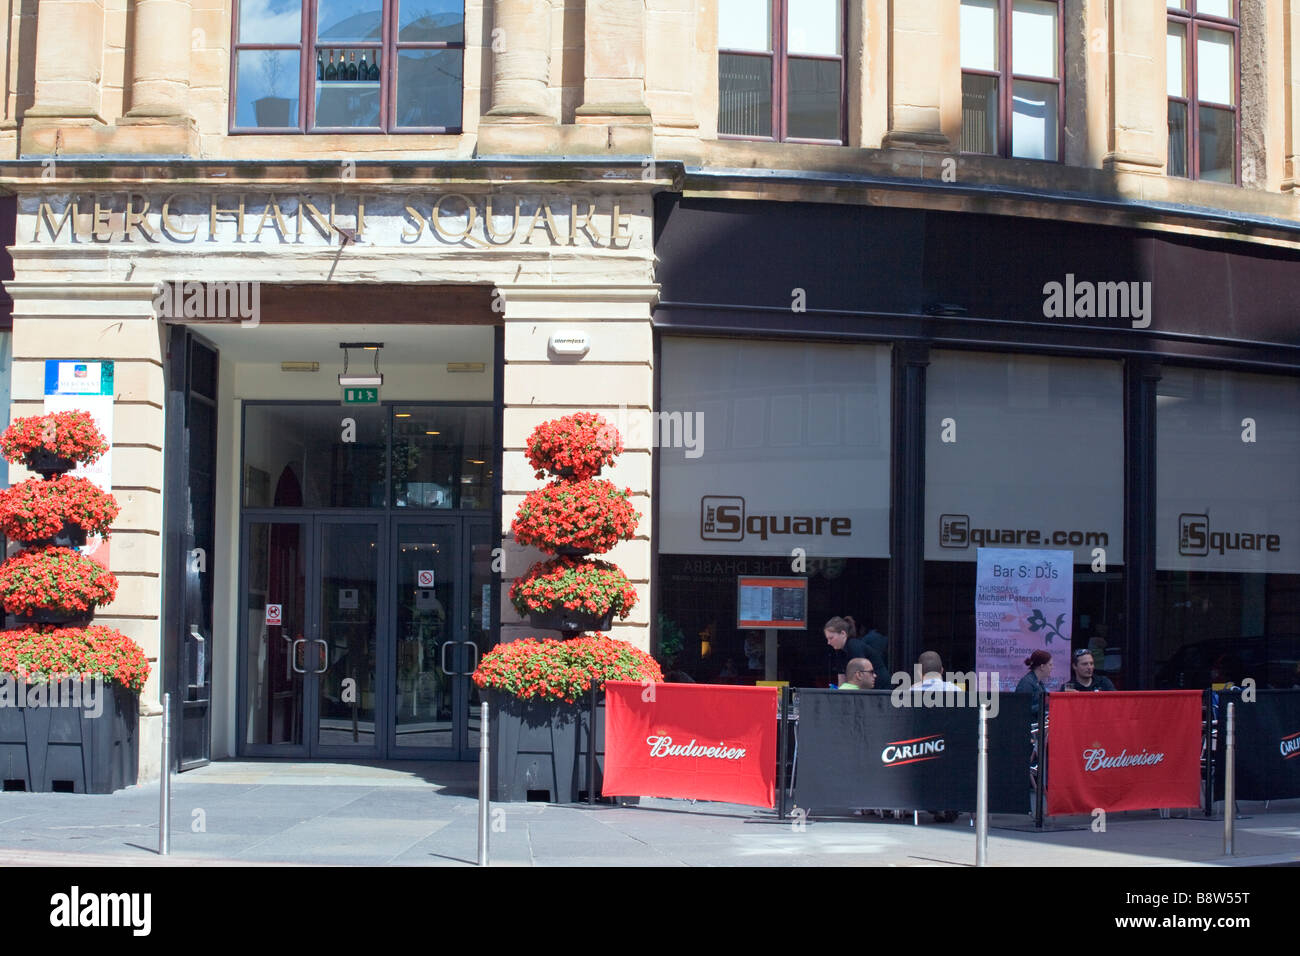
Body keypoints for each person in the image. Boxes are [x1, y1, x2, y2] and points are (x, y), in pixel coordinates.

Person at [824, 616, 885, 687]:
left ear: (843, 634)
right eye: (827, 639)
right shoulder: (839, 651)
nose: (828, 642)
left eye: (831, 638)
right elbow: (841, 676)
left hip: (880, 689)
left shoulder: (854, 646)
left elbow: (861, 677)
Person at [1015, 649, 1053, 720]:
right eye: (1050, 665)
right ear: (1042, 667)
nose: (1052, 668)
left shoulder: (1039, 683)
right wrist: (1044, 703)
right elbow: (1021, 709)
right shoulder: (1026, 684)